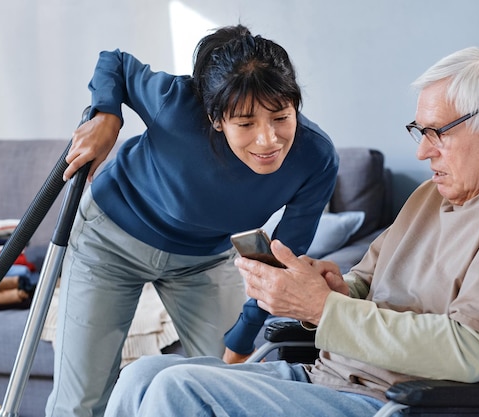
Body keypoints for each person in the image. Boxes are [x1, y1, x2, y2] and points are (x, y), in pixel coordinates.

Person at [101, 46, 479, 417]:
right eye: (418, 133)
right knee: (142, 375)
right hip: (330, 379)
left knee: (176, 392)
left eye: (436, 132)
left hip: (395, 402)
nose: (423, 152)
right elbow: (364, 284)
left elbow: (472, 352)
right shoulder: (431, 196)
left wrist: (324, 308)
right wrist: (331, 288)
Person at [45, 25, 339, 417]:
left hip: (202, 261)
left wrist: (243, 335)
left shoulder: (315, 158)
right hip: (108, 243)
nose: (268, 140)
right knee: (81, 402)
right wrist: (107, 115)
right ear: (217, 119)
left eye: (281, 117)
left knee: (234, 389)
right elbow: (114, 62)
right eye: (246, 123)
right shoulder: (176, 105)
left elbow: (282, 262)